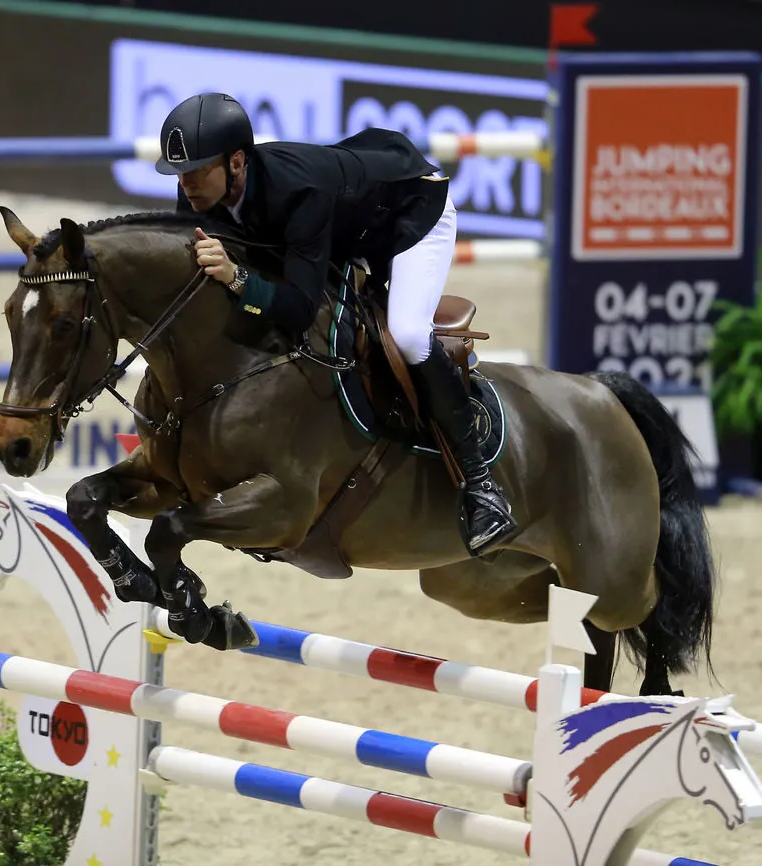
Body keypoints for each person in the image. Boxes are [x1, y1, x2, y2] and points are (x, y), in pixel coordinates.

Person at [153, 91, 516, 556]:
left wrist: (240, 278)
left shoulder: (299, 192)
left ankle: (482, 487)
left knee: (406, 333)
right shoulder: (204, 193)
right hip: (340, 219)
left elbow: (300, 310)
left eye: (197, 170)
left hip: (410, 211)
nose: (186, 184)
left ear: (237, 162)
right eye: (180, 173)